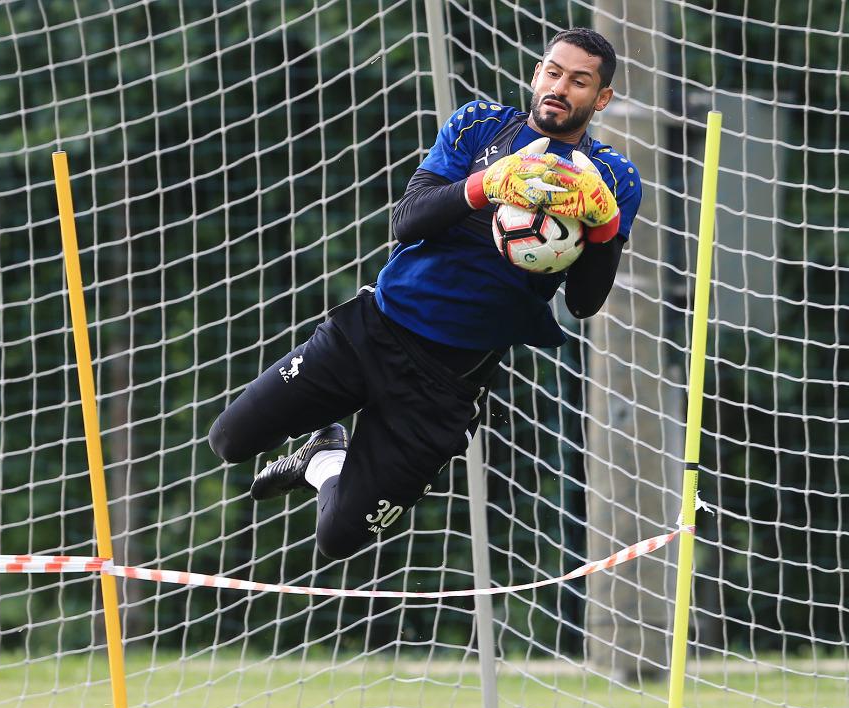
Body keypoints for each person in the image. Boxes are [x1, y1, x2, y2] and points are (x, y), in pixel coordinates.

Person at [208, 27, 642, 560]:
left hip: (445, 385)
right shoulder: (479, 125)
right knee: (230, 440)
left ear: (601, 99)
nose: (560, 87)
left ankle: (322, 458)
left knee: (337, 538)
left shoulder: (613, 177)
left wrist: (602, 225)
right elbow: (407, 221)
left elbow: (583, 303)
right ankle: (320, 438)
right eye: (553, 72)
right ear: (536, 74)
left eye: (579, 81)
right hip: (372, 331)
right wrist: (488, 185)